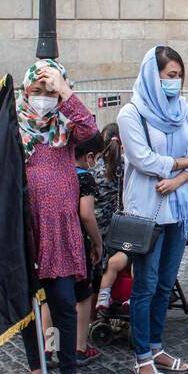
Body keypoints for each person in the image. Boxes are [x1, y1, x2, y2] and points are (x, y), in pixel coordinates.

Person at [116, 45, 188, 374]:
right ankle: (141, 357)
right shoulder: (131, 114)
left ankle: (156, 347)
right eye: (170, 76)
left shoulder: (182, 109)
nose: (176, 83)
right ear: (153, 77)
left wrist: (179, 178)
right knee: (145, 284)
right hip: (147, 211)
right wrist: (184, 164)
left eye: (179, 76)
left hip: (179, 208)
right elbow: (143, 159)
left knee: (166, 284)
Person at [17, 58, 97, 374]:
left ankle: (68, 369)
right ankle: (37, 368)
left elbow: (91, 131)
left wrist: (63, 92)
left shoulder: (65, 123)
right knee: (28, 305)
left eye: (49, 91)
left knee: (64, 302)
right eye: (38, 90)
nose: (43, 97)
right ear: (25, 90)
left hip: (60, 227)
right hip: (27, 228)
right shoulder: (13, 124)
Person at [73, 132, 105, 361]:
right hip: (78, 243)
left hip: (52, 242)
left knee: (48, 298)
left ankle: (49, 346)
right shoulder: (84, 177)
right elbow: (86, 215)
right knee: (83, 294)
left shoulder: (55, 174)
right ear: (89, 156)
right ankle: (79, 346)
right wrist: (98, 241)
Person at [93, 123, 127, 315]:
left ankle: (91, 317)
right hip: (117, 232)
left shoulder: (95, 169)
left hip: (95, 231)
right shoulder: (126, 166)